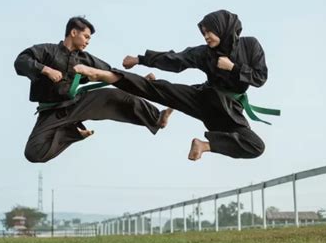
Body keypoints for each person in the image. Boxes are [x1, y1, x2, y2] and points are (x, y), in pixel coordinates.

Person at [74, 10, 268, 161]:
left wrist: (233, 67)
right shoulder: (205, 53)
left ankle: (203, 145)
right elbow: (176, 60)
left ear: (223, 28)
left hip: (229, 110)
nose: (206, 36)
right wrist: (140, 59)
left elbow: (260, 77)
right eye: (204, 33)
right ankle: (105, 75)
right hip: (205, 97)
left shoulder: (250, 45)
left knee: (255, 146)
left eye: (209, 31)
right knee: (160, 90)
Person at [14, 16, 171, 163]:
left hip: (77, 103)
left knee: (114, 96)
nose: (88, 41)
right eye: (86, 36)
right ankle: (72, 132)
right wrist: (46, 70)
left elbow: (111, 73)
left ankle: (157, 117)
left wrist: (141, 80)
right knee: (33, 153)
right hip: (51, 111)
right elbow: (21, 61)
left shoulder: (85, 59)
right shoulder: (47, 51)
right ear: (73, 32)